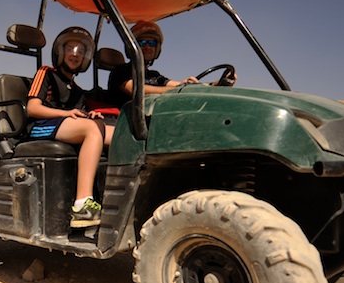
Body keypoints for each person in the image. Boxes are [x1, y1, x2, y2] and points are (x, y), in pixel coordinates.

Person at [25, 26, 113, 227]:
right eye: (70, 48)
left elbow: (79, 115)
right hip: (40, 127)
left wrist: (90, 115)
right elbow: (32, 108)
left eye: (81, 51)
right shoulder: (46, 73)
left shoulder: (77, 90)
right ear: (60, 51)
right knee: (92, 129)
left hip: (65, 126)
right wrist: (67, 113)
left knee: (116, 133)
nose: (75, 54)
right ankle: (82, 204)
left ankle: (113, 195)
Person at [107, 21, 235, 108]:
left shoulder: (154, 75)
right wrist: (176, 91)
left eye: (151, 43)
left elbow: (176, 85)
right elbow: (136, 90)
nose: (147, 47)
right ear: (132, 46)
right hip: (124, 123)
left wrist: (215, 84)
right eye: (142, 42)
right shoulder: (120, 71)